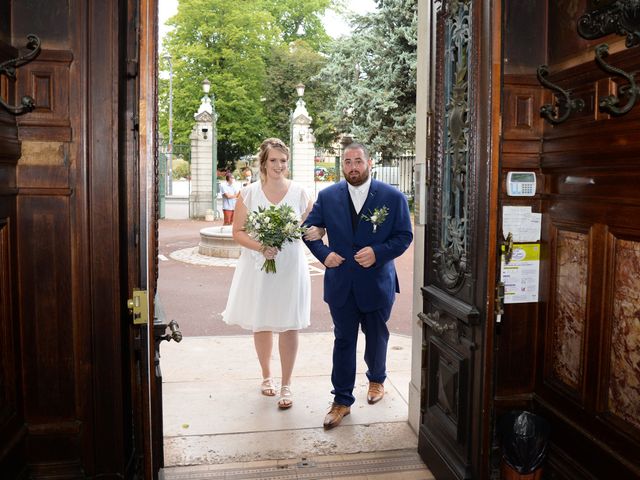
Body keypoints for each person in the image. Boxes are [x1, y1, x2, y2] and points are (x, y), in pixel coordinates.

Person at [303, 142, 413, 429]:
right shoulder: (327, 196)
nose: (353, 167)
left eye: (358, 161)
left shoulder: (392, 196)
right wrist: (325, 255)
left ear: (370, 162)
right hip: (341, 283)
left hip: (377, 282)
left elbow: (404, 236)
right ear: (342, 165)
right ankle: (341, 400)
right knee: (343, 341)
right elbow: (309, 232)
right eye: (348, 161)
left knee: (377, 336)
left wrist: (379, 252)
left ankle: (377, 379)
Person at [222, 138, 313, 409]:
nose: (279, 165)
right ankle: (266, 376)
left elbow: (309, 228)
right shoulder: (249, 193)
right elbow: (237, 232)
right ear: (263, 162)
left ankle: (287, 384)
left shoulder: (300, 193)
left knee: (289, 323)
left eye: (283, 160)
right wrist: (262, 247)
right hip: (259, 267)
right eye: (273, 160)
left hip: (290, 267)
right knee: (261, 321)